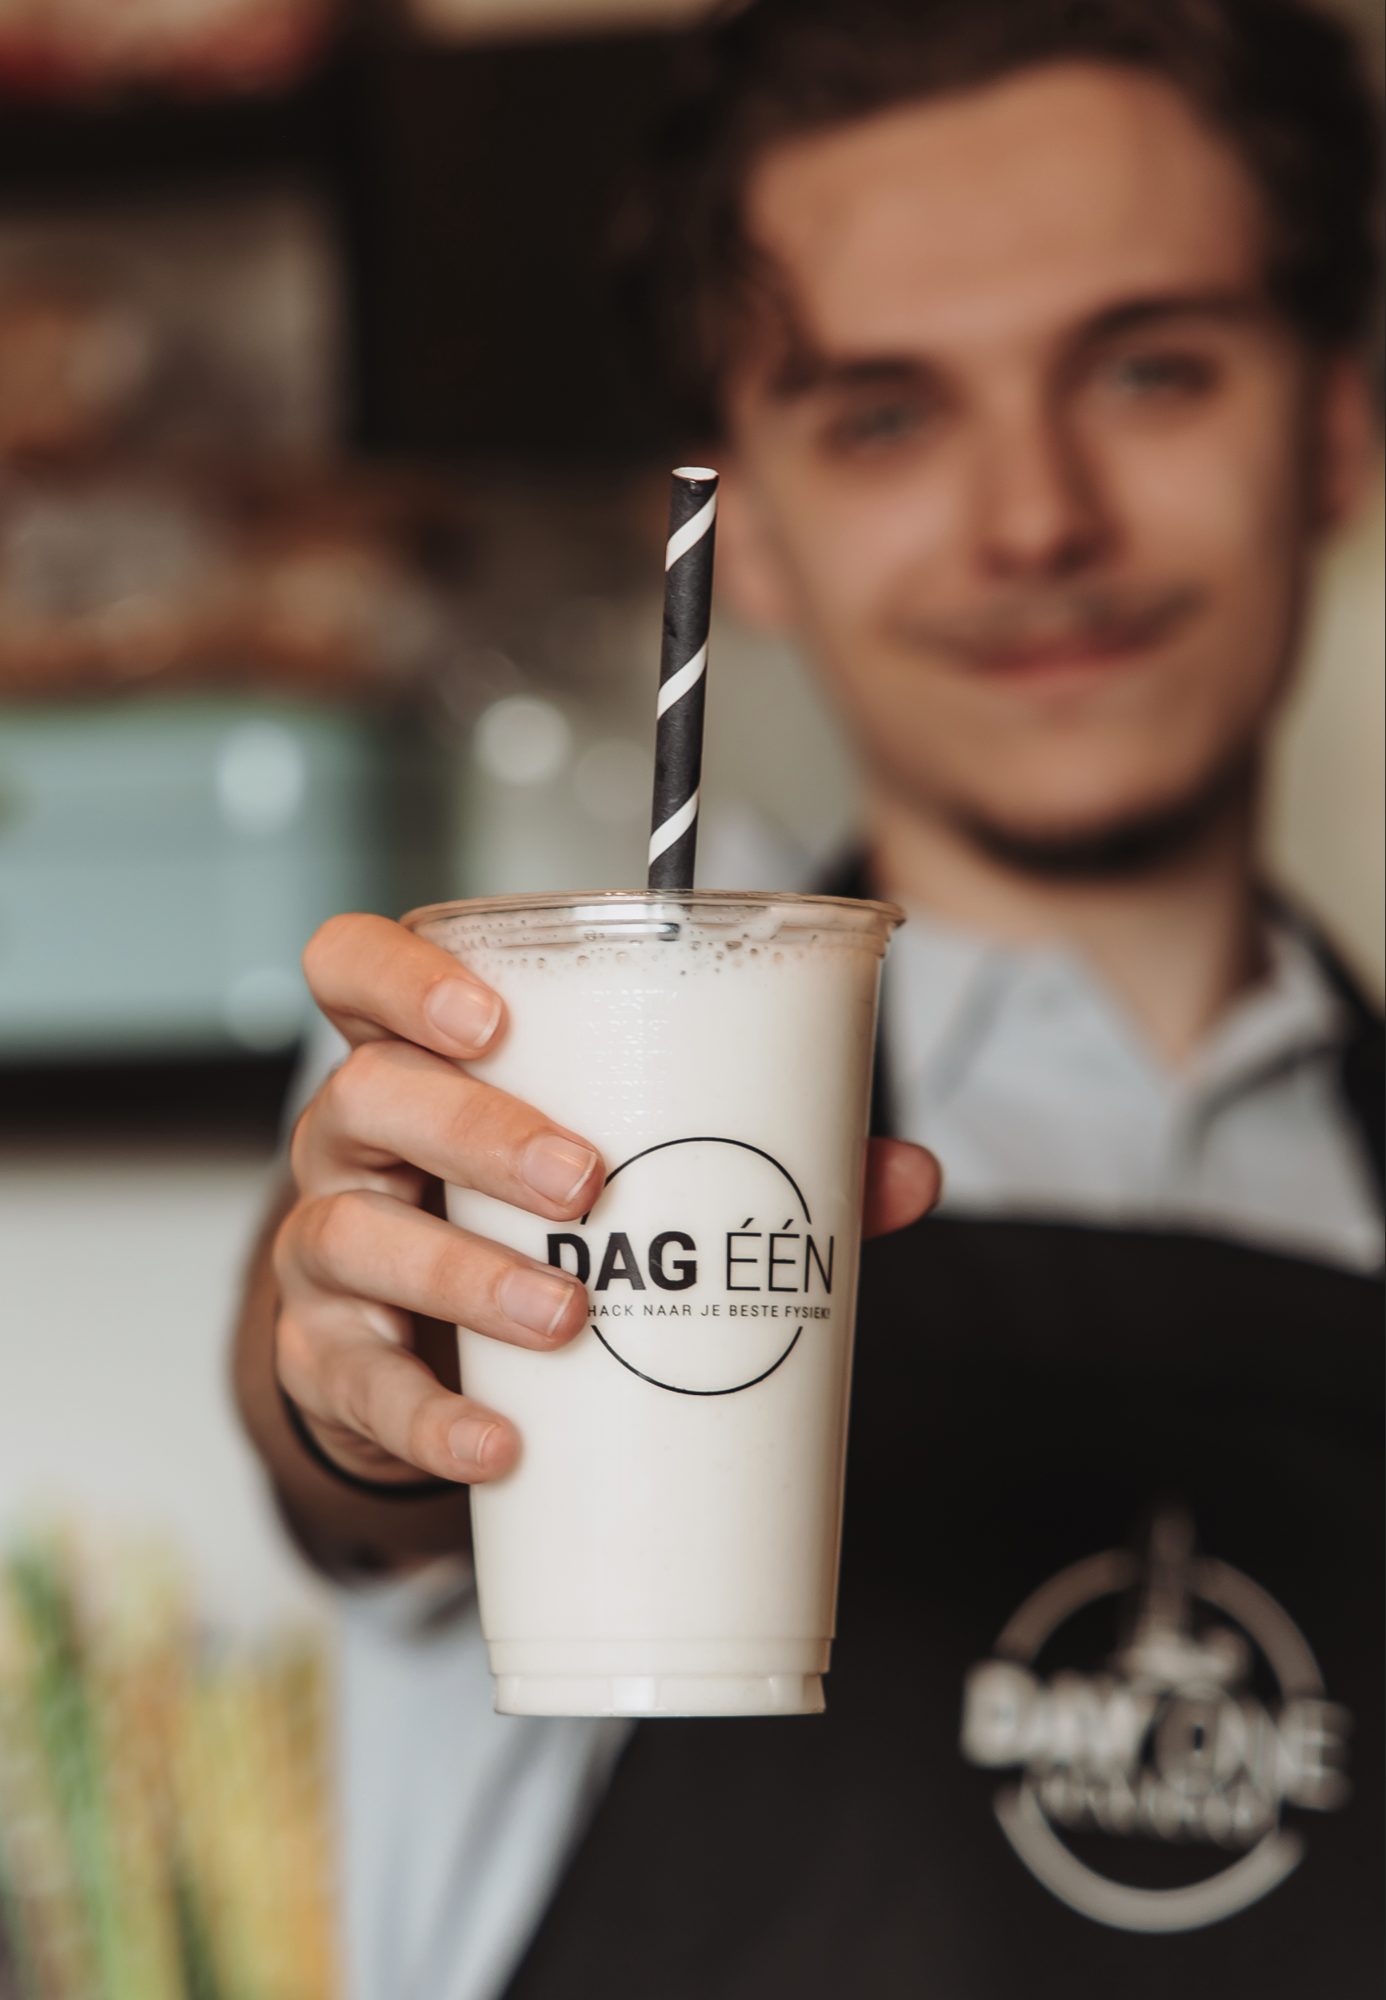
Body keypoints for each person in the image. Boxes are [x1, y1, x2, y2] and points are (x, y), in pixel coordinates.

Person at [233, 1, 1383, 1993]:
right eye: (882, 416)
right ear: (739, 524)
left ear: (1339, 428)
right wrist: (371, 1376)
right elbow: (344, 1419)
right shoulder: (555, 1095)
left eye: (1148, 370)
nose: (1036, 517)